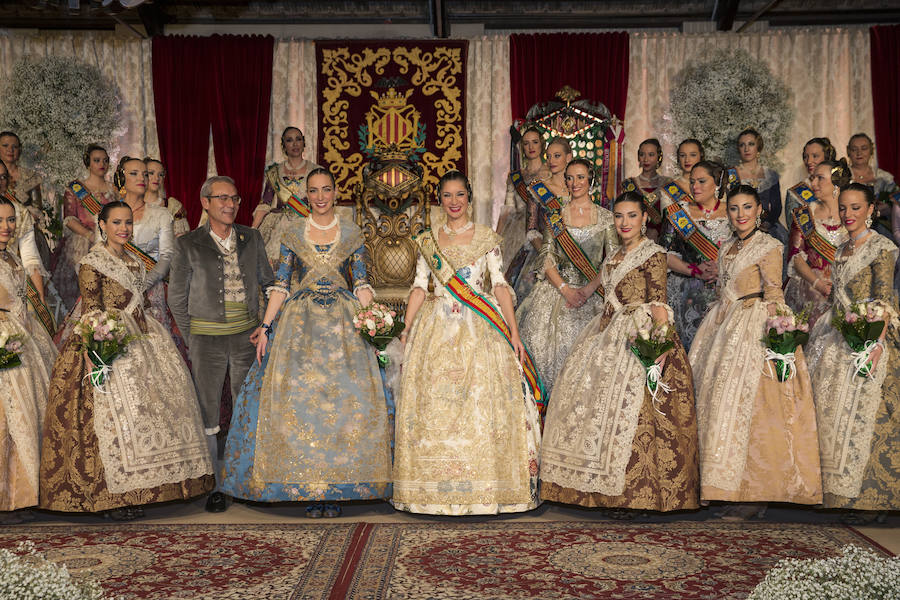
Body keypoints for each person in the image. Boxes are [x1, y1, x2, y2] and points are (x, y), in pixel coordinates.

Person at [221, 168, 392, 518]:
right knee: (302, 403)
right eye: (313, 191)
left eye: (326, 189)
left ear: (335, 191)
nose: (320, 196)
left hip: (344, 325)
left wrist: (373, 323)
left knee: (346, 404)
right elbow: (281, 284)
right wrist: (266, 327)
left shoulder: (352, 231)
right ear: (307, 194)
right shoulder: (293, 231)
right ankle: (308, 488)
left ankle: (338, 488)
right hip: (301, 325)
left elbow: (360, 282)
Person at [40, 201, 213, 519]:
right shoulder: (92, 262)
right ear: (102, 225)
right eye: (116, 222)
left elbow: (141, 303)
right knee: (112, 418)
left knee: (153, 412)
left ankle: (146, 489)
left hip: (143, 338)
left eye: (128, 223)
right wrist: (97, 356)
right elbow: (92, 310)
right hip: (107, 340)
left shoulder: (135, 262)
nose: (123, 228)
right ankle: (112, 497)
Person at [392, 170, 541, 515]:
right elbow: (419, 286)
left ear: (469, 197)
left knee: (480, 403)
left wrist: (514, 334)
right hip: (436, 327)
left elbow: (500, 284)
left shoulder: (487, 237)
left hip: (480, 327)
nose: (454, 202)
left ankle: (486, 488)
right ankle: (429, 491)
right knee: (434, 404)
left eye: (460, 195)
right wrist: (406, 327)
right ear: (439, 200)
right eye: (447, 195)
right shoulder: (427, 239)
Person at [540, 191, 699, 514]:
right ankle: (595, 490)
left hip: (640, 334)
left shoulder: (653, 254)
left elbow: (658, 304)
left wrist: (660, 349)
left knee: (635, 414)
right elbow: (601, 294)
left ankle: (635, 494)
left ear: (644, 219)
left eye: (631, 216)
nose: (625, 223)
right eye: (619, 216)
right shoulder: (612, 256)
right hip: (608, 332)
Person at [690, 185, 822, 520]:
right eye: (733, 208)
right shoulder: (727, 248)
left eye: (747, 207)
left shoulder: (770, 245)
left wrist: (781, 335)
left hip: (753, 326)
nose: (740, 215)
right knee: (718, 404)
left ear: (760, 209)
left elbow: (774, 292)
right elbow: (724, 290)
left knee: (754, 407)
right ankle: (722, 487)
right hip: (722, 325)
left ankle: (753, 492)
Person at [169, 176, 274, 513]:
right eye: (222, 198)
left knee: (247, 405)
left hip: (246, 337)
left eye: (235, 198)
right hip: (206, 339)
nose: (230, 205)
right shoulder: (188, 244)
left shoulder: (251, 237)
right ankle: (214, 484)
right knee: (208, 409)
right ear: (205, 203)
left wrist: (263, 327)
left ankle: (245, 478)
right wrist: (193, 336)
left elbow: (269, 283)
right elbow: (176, 299)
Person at [806, 183, 899, 522]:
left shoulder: (882, 247)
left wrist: (875, 344)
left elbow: (885, 300)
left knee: (866, 412)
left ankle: (869, 501)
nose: (847, 215)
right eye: (843, 208)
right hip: (837, 332)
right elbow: (835, 298)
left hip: (871, 333)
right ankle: (834, 494)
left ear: (871, 210)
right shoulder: (840, 247)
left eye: (856, 208)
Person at [516, 158, 617, 393]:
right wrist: (566, 290)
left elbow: (611, 259)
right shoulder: (555, 216)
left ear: (590, 180)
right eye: (569, 178)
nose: (574, 183)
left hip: (592, 293)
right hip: (557, 291)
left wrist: (589, 289)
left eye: (580, 177)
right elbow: (546, 256)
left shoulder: (606, 217)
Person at [0, 197, 57, 521]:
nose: (6, 227)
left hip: (24, 338)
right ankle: (7, 498)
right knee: (8, 418)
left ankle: (25, 493)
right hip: (5, 343)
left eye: (10, 220)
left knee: (29, 413)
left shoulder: (9, 256)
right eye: (0, 221)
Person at [112, 157, 187, 360]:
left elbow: (167, 256)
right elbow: (99, 252)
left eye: (145, 174)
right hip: (114, 285)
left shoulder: (161, 214)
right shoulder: (107, 212)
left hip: (151, 288)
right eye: (134, 173)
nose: (142, 178)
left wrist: (144, 283)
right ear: (122, 177)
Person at [660, 160, 732, 349]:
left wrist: (722, 268)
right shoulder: (677, 213)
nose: (695, 187)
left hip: (725, 289)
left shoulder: (734, 212)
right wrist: (694, 270)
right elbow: (665, 255)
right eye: (692, 182)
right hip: (688, 292)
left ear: (716, 183)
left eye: (701, 181)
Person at [784, 159, 850, 325]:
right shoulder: (805, 214)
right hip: (810, 286)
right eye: (812, 177)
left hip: (846, 284)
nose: (813, 182)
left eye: (820, 178)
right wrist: (818, 284)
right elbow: (795, 257)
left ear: (836, 183)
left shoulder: (852, 214)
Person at [52, 144, 116, 310]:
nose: (102, 164)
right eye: (96, 160)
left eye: (105, 160)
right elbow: (69, 219)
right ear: (88, 163)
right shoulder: (75, 188)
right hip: (83, 242)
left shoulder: (114, 190)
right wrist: (91, 236)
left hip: (111, 241)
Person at [253, 127, 321, 270]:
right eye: (289, 140)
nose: (295, 144)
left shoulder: (317, 171)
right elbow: (265, 203)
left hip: (306, 225)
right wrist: (253, 229)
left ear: (304, 143)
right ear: (283, 145)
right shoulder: (274, 172)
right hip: (278, 226)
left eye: (298, 139)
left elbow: (323, 203)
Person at [513, 136, 573, 300]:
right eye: (549, 156)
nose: (552, 160)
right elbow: (531, 231)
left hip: (573, 254)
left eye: (557, 156)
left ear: (568, 157)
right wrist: (549, 255)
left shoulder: (577, 189)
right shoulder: (537, 188)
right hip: (542, 254)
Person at [0, 159, 54, 335]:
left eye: (3, 177)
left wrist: (40, 299)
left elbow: (30, 258)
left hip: (12, 277)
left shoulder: (19, 212)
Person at [498, 126, 550, 284]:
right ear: (522, 147)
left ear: (542, 145)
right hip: (517, 232)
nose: (531, 147)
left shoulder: (551, 173)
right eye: (526, 143)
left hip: (543, 228)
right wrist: (496, 238)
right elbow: (508, 208)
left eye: (535, 142)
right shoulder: (514, 177)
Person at [733, 128, 786, 244]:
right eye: (742, 145)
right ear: (738, 149)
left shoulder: (770, 175)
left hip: (767, 226)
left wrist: (767, 224)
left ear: (758, 147)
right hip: (741, 224)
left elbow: (777, 207)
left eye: (751, 144)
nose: (746, 149)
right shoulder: (732, 174)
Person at [784, 137, 836, 231]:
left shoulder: (840, 187)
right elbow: (794, 233)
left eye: (815, 156)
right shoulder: (794, 194)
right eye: (805, 157)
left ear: (827, 157)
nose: (809, 161)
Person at [622, 138, 669, 240]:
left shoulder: (668, 184)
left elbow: (672, 218)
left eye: (651, 155)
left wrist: (658, 232)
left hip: (663, 240)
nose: (646, 159)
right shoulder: (629, 184)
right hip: (636, 239)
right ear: (638, 157)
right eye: (642, 154)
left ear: (659, 157)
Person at [144, 157, 190, 236]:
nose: (157, 178)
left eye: (160, 175)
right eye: (151, 173)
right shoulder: (132, 205)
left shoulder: (172, 205)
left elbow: (181, 241)